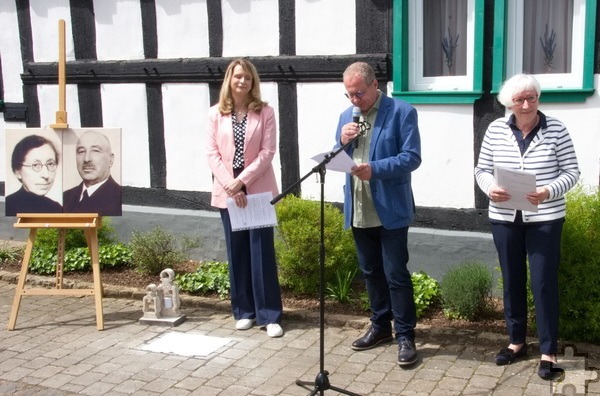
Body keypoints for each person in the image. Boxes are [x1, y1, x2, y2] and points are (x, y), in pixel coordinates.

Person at [475, 74, 580, 381]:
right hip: (505, 217)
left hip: (545, 218)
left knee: (544, 283)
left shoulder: (557, 129)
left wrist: (549, 190)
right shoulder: (496, 129)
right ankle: (516, 341)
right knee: (512, 280)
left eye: (531, 98)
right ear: (510, 103)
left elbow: (572, 172)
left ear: (538, 99)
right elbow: (481, 168)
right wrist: (490, 187)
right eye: (519, 99)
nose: (525, 104)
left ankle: (548, 350)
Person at [335, 62, 422, 366]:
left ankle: (406, 335)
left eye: (358, 93)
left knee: (396, 274)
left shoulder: (401, 112)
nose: (354, 100)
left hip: (390, 208)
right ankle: (380, 326)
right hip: (359, 207)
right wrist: (342, 142)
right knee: (371, 272)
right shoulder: (347, 116)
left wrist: (375, 170)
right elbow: (339, 157)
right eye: (349, 95)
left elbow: (411, 158)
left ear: (375, 85)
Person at [206, 58, 284, 338]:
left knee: (261, 252)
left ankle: (270, 315)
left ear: (254, 83)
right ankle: (245, 311)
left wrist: (242, 181)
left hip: (257, 188)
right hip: (228, 192)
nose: (242, 82)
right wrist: (231, 185)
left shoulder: (266, 112)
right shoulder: (215, 113)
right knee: (237, 251)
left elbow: (267, 152)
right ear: (229, 79)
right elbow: (212, 153)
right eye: (238, 76)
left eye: (248, 78)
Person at [63, 130, 122, 216]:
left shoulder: (119, 198)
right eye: (81, 151)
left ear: (111, 159)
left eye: (95, 151)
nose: (87, 159)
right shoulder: (65, 197)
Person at [5, 135, 63, 216]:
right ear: (18, 171)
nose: (46, 175)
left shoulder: (56, 209)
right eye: (36, 165)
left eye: (50, 164)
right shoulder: (7, 206)